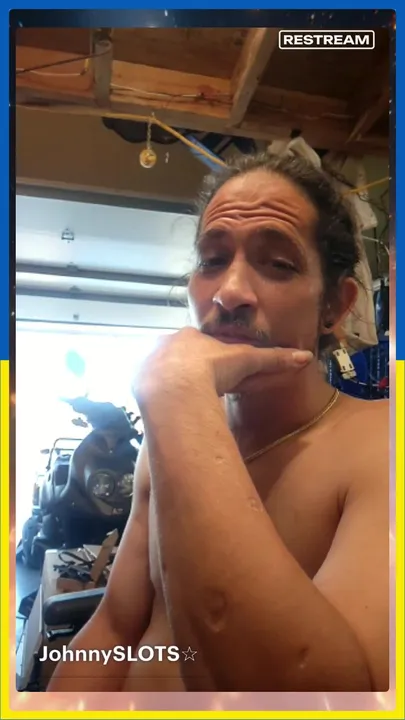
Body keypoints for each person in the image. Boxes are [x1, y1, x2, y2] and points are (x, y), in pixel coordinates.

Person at [48, 152, 389, 693]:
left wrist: (178, 393)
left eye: (278, 264)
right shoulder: (165, 444)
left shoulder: (383, 444)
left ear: (335, 305)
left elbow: (331, 696)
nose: (229, 293)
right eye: (212, 260)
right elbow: (115, 627)